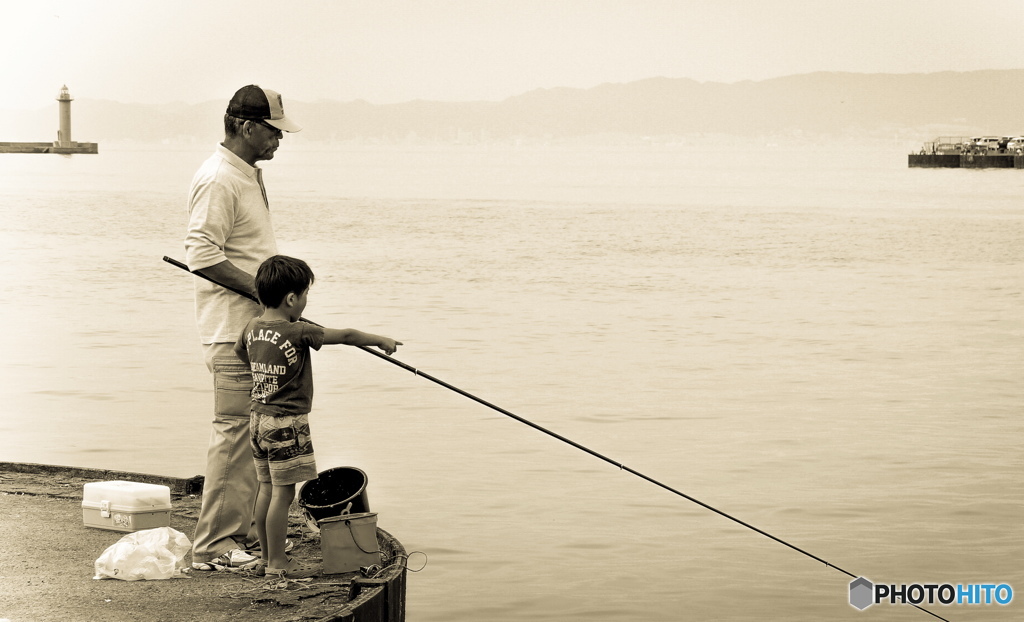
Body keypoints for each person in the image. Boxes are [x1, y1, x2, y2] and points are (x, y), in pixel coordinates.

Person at [184, 85, 302, 571]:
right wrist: (266, 295)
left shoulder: (246, 175)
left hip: (259, 332)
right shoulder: (218, 179)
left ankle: (245, 534)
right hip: (233, 332)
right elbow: (201, 254)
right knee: (235, 436)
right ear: (246, 126)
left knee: (257, 435)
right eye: (274, 131)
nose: (280, 140)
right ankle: (214, 546)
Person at [234, 255, 401, 576]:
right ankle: (278, 563)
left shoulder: (251, 327)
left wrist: (265, 371)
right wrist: (382, 340)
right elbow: (349, 336)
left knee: (266, 488)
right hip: (287, 425)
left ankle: (266, 560)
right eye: (305, 294)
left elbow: (241, 353)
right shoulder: (299, 332)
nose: (306, 301)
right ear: (292, 298)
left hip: (257, 419)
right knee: (284, 494)